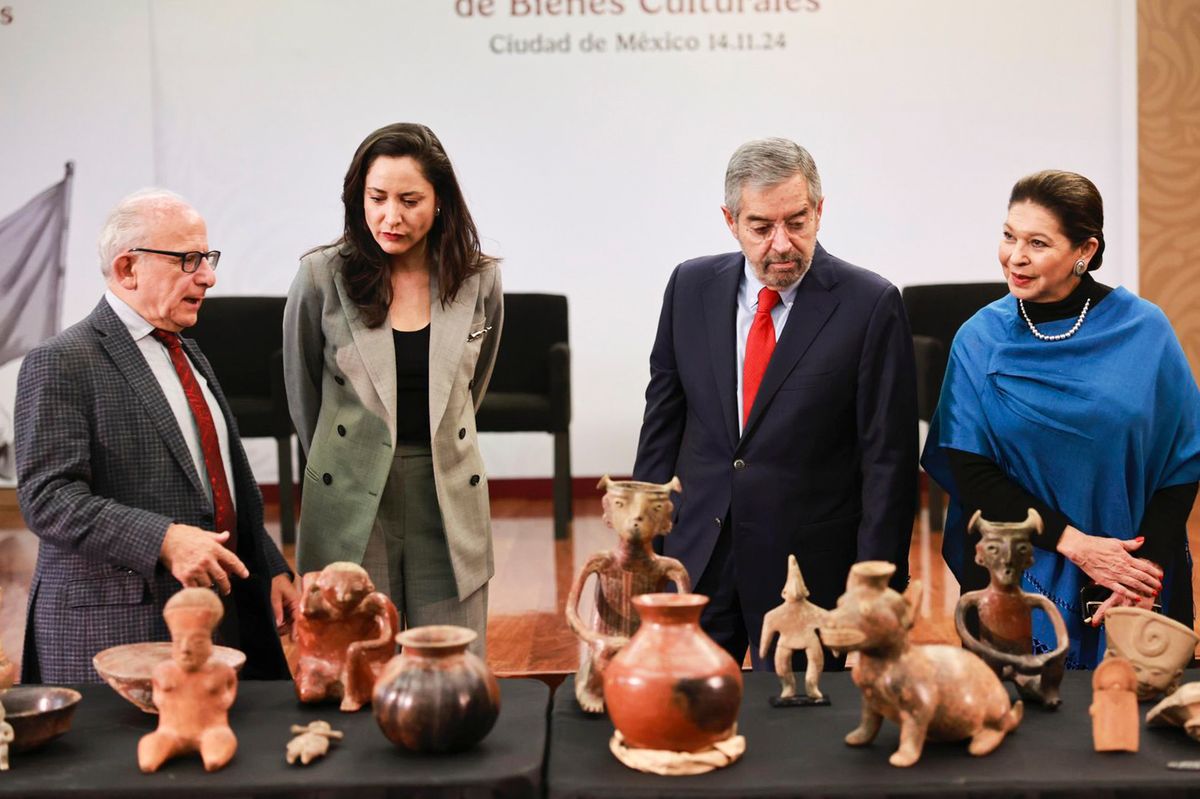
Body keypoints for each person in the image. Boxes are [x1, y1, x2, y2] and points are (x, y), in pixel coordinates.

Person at [633, 137, 918, 669]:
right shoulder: (689, 287)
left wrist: (875, 586)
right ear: (730, 220)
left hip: (810, 575)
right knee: (685, 706)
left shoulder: (870, 304)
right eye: (761, 228)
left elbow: (888, 462)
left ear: (819, 210)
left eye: (798, 222)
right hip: (697, 556)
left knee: (806, 736)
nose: (782, 244)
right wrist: (643, 548)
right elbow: (663, 422)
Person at [922, 169, 1200, 669]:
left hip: (1134, 583)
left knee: (1137, 731)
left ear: (1085, 251)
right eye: (1008, 236)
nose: (1016, 256)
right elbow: (971, 473)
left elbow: (1183, 461)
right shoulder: (979, 339)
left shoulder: (1145, 331)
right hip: (1017, 581)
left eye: (1038, 242)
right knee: (1019, 735)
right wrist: (1078, 546)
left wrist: (1142, 570)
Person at [14, 189, 294, 684]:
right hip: (119, 631)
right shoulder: (61, 361)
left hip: (216, 619)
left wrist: (271, 567)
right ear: (128, 269)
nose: (208, 276)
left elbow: (225, 480)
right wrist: (163, 539)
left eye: (206, 258)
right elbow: (48, 499)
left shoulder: (185, 351)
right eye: (189, 260)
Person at [283, 123, 502, 654]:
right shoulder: (321, 275)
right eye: (376, 198)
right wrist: (345, 451)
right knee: (354, 659)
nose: (391, 217)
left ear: (441, 202)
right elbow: (303, 392)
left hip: (445, 486)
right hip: (352, 486)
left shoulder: (479, 279)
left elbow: (470, 390)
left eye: (410, 200)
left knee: (451, 664)